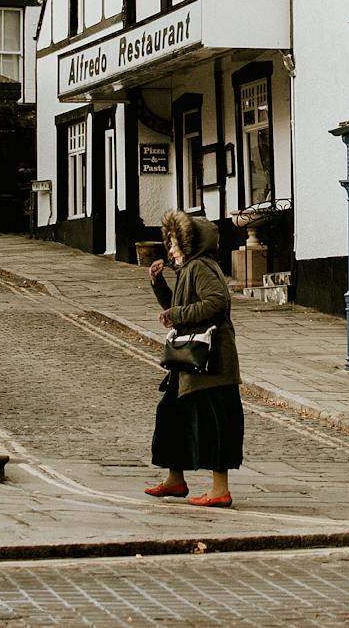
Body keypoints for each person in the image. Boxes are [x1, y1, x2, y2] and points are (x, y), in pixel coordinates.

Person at [144, 209, 243, 508]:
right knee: (171, 415)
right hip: (189, 360)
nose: (170, 249)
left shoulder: (201, 267)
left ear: (190, 244)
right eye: (170, 243)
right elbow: (178, 308)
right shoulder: (189, 270)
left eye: (175, 243)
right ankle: (175, 480)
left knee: (215, 423)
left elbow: (216, 302)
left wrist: (176, 314)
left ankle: (220, 490)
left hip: (211, 362)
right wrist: (159, 284)